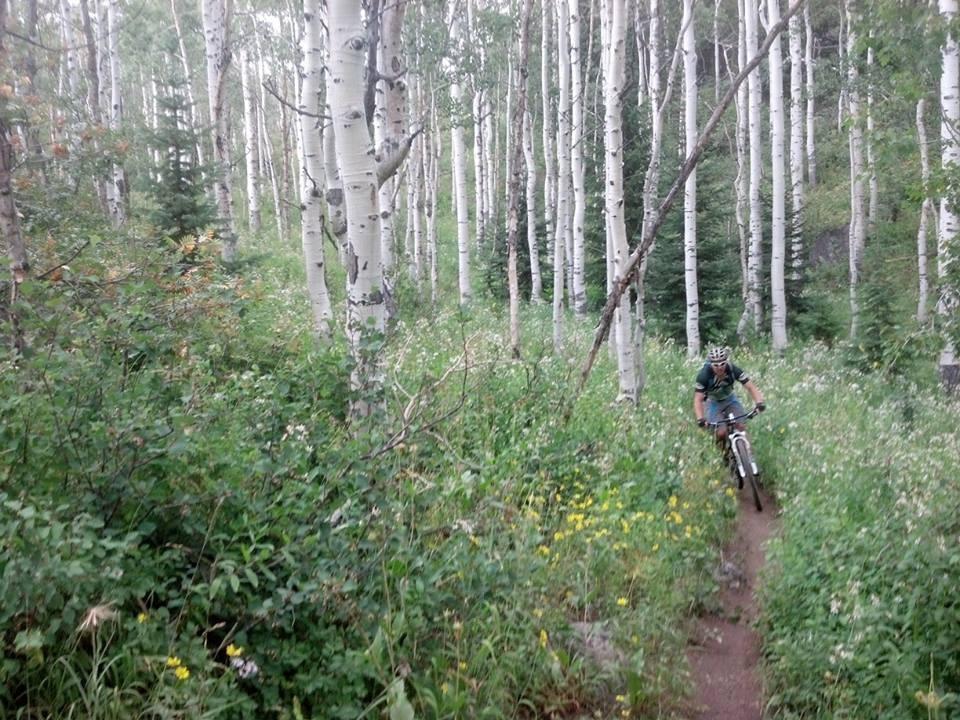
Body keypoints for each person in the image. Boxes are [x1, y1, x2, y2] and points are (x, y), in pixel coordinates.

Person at [693, 346, 765, 446]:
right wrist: (700, 419)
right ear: (711, 364)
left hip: (730, 400)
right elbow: (698, 399)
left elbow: (750, 386)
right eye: (716, 365)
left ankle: (749, 457)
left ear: (726, 362)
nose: (720, 367)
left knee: (741, 427)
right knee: (721, 433)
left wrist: (759, 402)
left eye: (722, 364)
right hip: (713, 403)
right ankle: (725, 456)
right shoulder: (704, 375)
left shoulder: (732, 369)